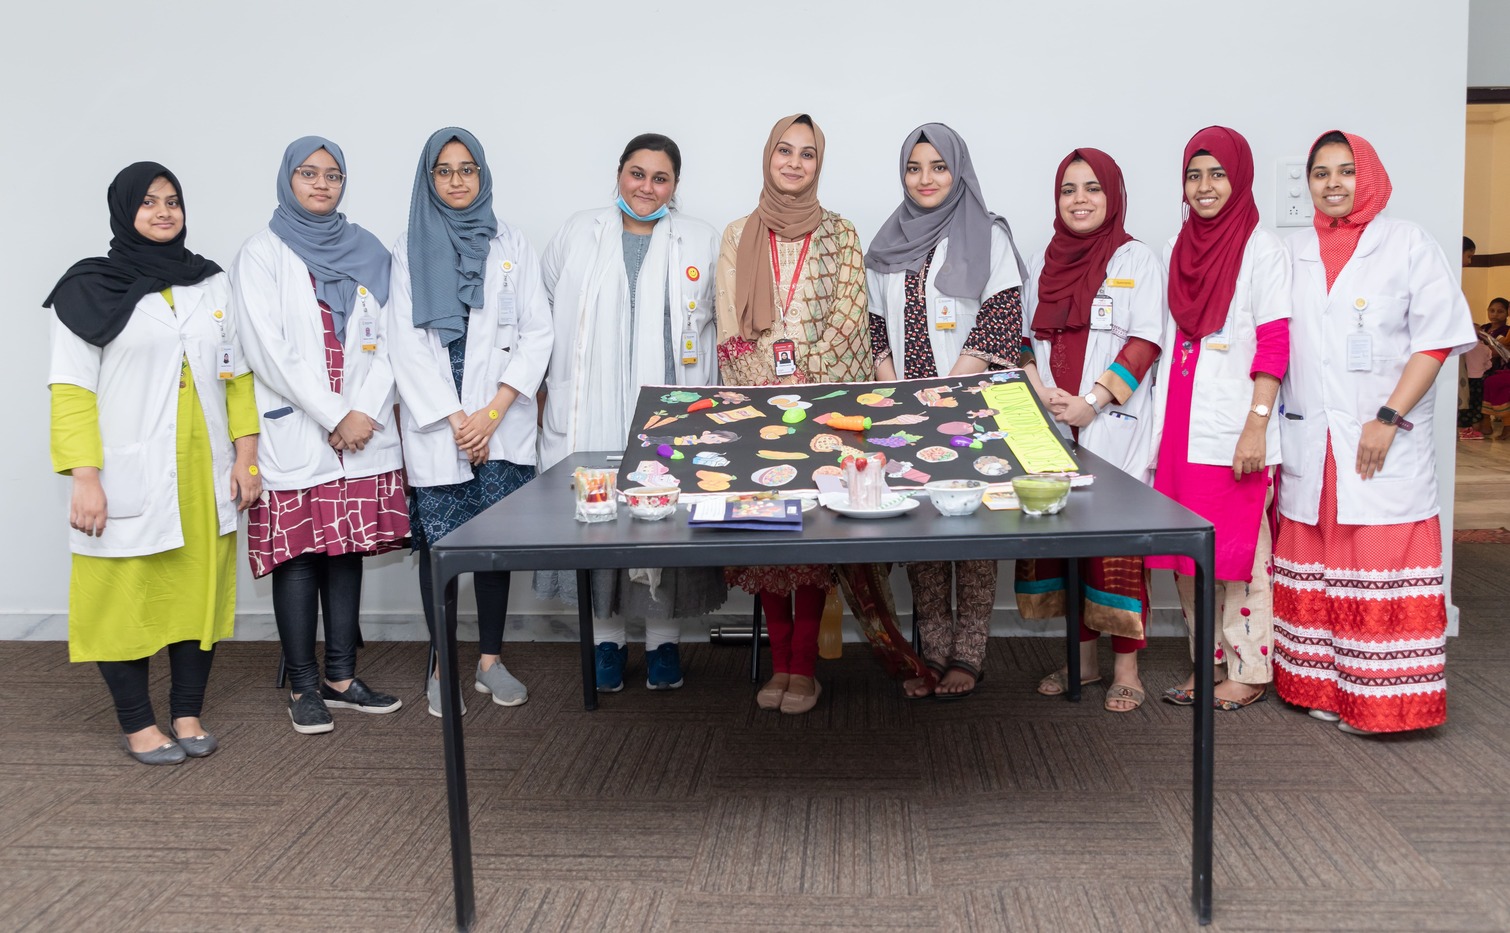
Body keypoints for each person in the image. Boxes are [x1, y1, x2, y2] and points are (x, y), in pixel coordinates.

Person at [45, 162, 260, 764]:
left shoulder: (211, 283)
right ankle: (138, 724)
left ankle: (187, 712)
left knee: (198, 594)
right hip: (126, 471)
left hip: (203, 471)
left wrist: (247, 457)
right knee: (122, 597)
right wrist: (85, 476)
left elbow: (238, 375)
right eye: (148, 202)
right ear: (123, 211)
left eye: (171, 201)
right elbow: (71, 391)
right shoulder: (88, 289)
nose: (163, 212)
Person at [1273, 130, 1475, 735]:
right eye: (1321, 173)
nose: (1333, 183)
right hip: (1313, 442)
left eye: (1346, 170)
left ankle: (1382, 704)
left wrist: (1389, 418)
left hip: (1382, 437)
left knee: (1376, 561)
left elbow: (1435, 341)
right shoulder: (1291, 250)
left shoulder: (1408, 243)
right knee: (1318, 559)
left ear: (1370, 177)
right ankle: (1323, 686)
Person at [535, 133, 727, 692]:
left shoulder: (700, 239)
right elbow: (543, 316)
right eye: (636, 174)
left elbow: (719, 324)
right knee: (596, 522)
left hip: (667, 410)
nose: (646, 187)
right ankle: (607, 644)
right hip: (590, 406)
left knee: (663, 521)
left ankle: (664, 643)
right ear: (619, 173)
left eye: (660, 178)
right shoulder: (578, 232)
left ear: (675, 185)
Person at [232, 136, 409, 734]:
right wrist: (336, 416)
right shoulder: (261, 254)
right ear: (288, 179)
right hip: (302, 429)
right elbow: (267, 350)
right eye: (308, 173)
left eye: (332, 175)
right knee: (299, 556)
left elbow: (394, 338)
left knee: (345, 553)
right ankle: (303, 686)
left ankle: (340, 677)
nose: (321, 184)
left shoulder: (369, 251)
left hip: (360, 431)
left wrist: (363, 413)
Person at [388, 127, 552, 716]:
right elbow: (405, 345)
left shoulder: (512, 242)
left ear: (482, 174)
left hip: (498, 420)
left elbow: (537, 331)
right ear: (428, 178)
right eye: (444, 170)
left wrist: (492, 415)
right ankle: (440, 665)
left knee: (493, 549)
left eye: (467, 169)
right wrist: (460, 422)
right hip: (443, 423)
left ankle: (489, 661)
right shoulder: (407, 247)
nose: (457, 180)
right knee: (441, 550)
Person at [715, 113, 873, 714]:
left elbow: (851, 319)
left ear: (819, 164)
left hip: (824, 408)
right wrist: (766, 390)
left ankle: (802, 669)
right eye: (785, 150)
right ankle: (778, 663)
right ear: (768, 156)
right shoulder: (737, 234)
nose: (794, 163)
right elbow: (729, 326)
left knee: (810, 542)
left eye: (807, 154)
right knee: (768, 537)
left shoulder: (841, 233)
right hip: (758, 409)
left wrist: (805, 382)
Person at [864, 122, 1029, 699]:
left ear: (958, 170)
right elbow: (874, 325)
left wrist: (951, 392)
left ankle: (969, 653)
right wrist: (895, 390)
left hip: (972, 411)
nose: (926, 178)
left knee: (972, 530)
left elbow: (1001, 317)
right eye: (914, 168)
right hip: (906, 413)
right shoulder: (887, 243)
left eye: (938, 166)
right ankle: (931, 651)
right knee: (924, 528)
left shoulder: (988, 234)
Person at [1017, 148, 1168, 713]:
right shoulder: (1044, 259)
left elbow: (1146, 341)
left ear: (1113, 195)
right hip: (1052, 424)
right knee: (1067, 546)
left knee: (1116, 550)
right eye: (1068, 189)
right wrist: (1042, 392)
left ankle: (1127, 669)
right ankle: (1080, 661)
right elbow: (1024, 340)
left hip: (1110, 425)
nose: (1079, 200)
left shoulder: (1136, 258)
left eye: (1092, 188)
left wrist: (1092, 402)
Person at [1149, 127, 1290, 711]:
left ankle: (1250, 668)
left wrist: (1255, 426)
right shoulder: (1174, 248)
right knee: (1189, 556)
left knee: (1242, 554)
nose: (1204, 187)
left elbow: (1274, 344)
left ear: (1240, 178)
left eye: (1217, 174)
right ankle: (1204, 663)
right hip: (1180, 428)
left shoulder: (1262, 248)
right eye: (1194, 175)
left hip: (1235, 428)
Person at [1474, 297, 1510, 437]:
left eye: (1500, 311)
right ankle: (1474, 421)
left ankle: (1485, 420)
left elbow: (1499, 352)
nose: (1495, 314)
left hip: (1499, 367)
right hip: (1479, 365)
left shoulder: (1506, 331)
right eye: (1492, 310)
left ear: (1507, 313)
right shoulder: (1483, 328)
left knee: (1485, 381)